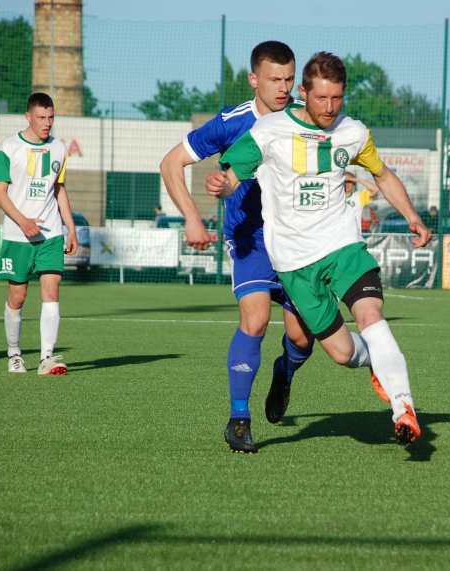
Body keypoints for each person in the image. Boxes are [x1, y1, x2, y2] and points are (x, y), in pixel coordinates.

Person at [214, 52, 432, 446]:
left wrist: (413, 217)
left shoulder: (354, 132)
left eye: (337, 99)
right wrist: (224, 185)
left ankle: (403, 407)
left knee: (370, 313)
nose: (330, 108)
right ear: (304, 92)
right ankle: (375, 363)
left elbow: (382, 174)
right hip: (295, 262)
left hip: (342, 246)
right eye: (321, 99)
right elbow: (233, 174)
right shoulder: (270, 131)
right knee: (343, 353)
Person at [160, 41, 315, 454]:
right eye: (274, 79)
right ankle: (239, 419)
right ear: (254, 80)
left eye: (289, 79)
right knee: (256, 318)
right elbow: (170, 163)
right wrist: (192, 216)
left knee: (301, 339)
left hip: (300, 239)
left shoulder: (307, 118)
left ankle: (285, 372)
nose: (284, 88)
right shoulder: (233, 122)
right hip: (251, 236)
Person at [0, 92, 78, 375]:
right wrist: (22, 220)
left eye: (51, 117)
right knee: (17, 297)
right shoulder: (9, 147)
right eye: (41, 117)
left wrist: (70, 226)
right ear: (28, 116)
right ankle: (14, 353)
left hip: (50, 234)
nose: (47, 123)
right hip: (18, 236)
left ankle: (46, 358)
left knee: (51, 291)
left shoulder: (59, 148)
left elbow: (59, 189)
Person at [343, 171, 380, 238]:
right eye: (344, 182)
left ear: (354, 184)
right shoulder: (334, 197)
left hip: (353, 236)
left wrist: (354, 179)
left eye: (349, 182)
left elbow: (375, 189)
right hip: (336, 235)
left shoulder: (359, 197)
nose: (347, 184)